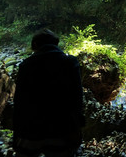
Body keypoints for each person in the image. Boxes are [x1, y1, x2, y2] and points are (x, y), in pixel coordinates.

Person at [13, 29, 84, 157]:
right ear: (56, 43)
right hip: (62, 128)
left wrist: (17, 132)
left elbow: (19, 101)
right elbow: (77, 98)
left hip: (32, 128)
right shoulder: (70, 62)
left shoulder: (26, 65)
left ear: (35, 45)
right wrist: (77, 127)